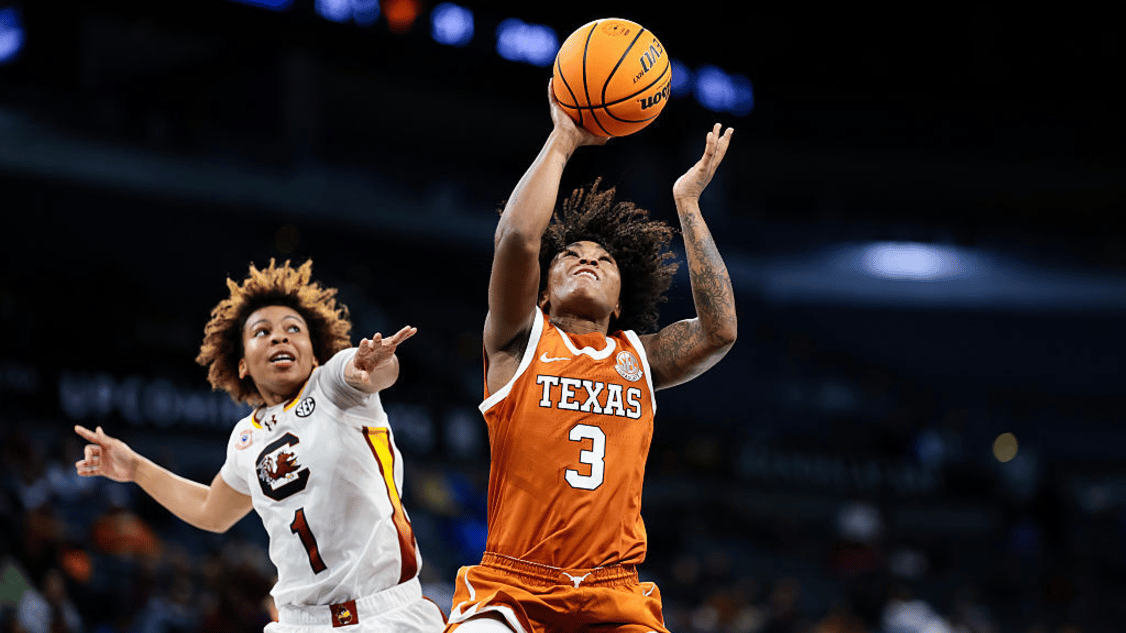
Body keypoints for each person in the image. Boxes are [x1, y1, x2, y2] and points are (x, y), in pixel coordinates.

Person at [445, 81, 737, 633]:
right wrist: (562, 140)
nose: (587, 260)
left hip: (615, 593)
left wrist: (688, 205)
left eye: (604, 259)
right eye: (571, 256)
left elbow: (720, 330)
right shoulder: (517, 341)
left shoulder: (640, 356)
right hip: (513, 587)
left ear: (622, 297)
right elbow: (515, 241)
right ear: (542, 293)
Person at [74, 259, 447, 633]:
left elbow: (370, 372)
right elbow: (211, 512)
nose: (279, 337)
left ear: (315, 353)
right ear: (242, 366)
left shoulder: (333, 385)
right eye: (262, 332)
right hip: (298, 623)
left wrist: (373, 366)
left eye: (293, 329)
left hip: (384, 615)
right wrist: (137, 468)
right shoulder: (244, 438)